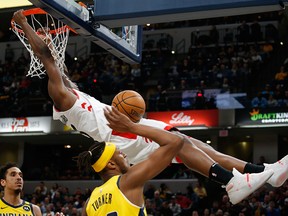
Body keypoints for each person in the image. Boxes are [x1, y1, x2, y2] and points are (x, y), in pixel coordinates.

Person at [12, 9, 286, 205]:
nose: (59, 74)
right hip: (117, 135)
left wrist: (51, 52)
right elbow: (48, 59)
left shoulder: (73, 94)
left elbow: (58, 67)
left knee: (196, 145)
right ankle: (230, 182)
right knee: (179, 141)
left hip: (121, 130)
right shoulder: (61, 97)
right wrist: (24, 24)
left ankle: (262, 172)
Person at [76, 106, 184, 215]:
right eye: (120, 153)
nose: (125, 155)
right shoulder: (128, 181)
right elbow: (175, 141)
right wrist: (131, 127)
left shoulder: (89, 202)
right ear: (111, 164)